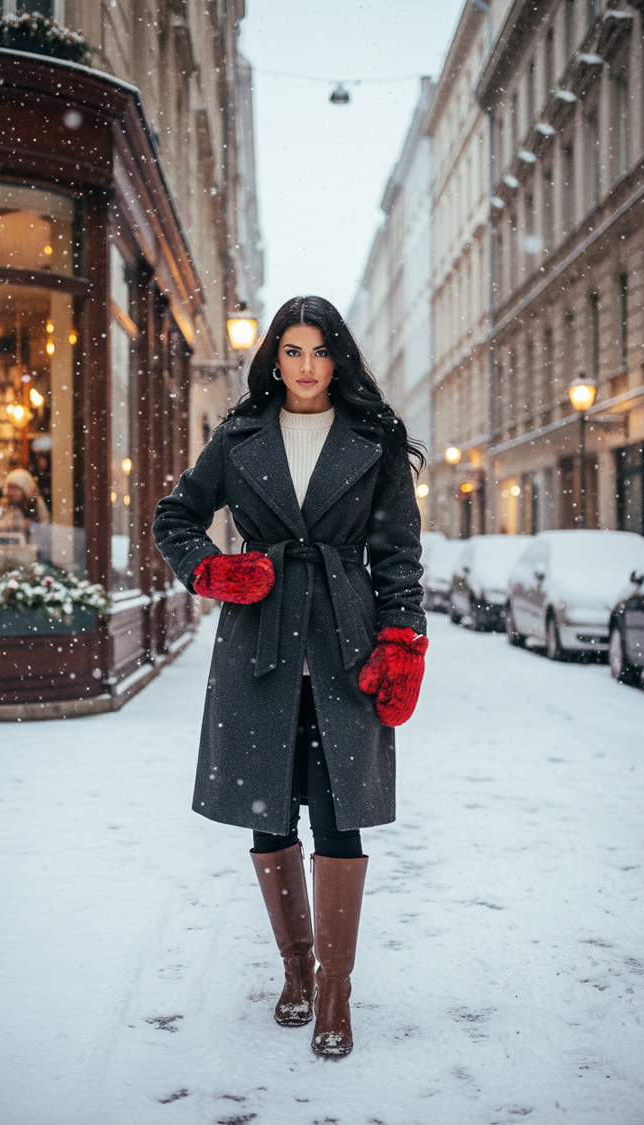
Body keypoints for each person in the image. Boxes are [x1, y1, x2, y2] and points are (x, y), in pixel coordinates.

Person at [152, 296, 428, 1057]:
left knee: (342, 816)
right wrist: (213, 569)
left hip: (347, 648)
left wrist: (402, 639)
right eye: (293, 351)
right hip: (258, 650)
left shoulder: (374, 437)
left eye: (320, 351)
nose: (307, 367)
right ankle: (297, 971)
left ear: (339, 358)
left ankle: (337, 990)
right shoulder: (239, 435)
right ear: (274, 359)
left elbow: (399, 556)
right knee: (268, 814)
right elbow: (174, 517)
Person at [0, 467, 50, 536]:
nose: (11, 493)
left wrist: (32, 526)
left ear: (25, 488)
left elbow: (44, 528)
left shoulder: (35, 504)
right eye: (9, 487)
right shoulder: (4, 505)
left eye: (15, 488)